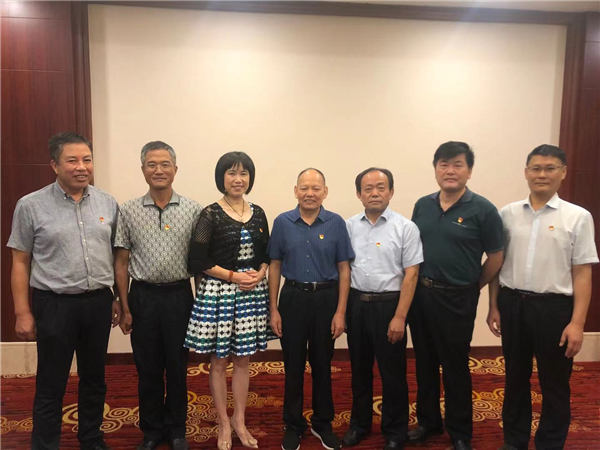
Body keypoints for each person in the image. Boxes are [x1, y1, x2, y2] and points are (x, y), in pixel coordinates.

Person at [8, 132, 120, 450]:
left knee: (94, 378)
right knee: (51, 382)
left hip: (98, 303)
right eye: (72, 160)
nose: (81, 167)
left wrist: (114, 297)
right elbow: (20, 262)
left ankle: (91, 438)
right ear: (55, 165)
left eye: (87, 160)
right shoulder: (31, 205)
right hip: (54, 305)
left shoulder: (107, 203)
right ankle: (45, 444)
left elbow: (115, 256)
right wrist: (22, 312)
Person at [487, 144, 598, 450]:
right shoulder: (507, 214)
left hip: (554, 309)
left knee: (555, 382)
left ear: (563, 173)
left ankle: (550, 443)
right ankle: (514, 440)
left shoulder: (578, 217)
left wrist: (578, 323)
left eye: (550, 168)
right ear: (526, 173)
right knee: (514, 378)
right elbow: (497, 264)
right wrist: (493, 305)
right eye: (536, 168)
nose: (542, 174)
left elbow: (583, 273)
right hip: (512, 305)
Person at [409, 141, 504, 450]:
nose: (450, 170)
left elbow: (496, 257)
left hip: (457, 299)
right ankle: (428, 422)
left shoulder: (484, 209)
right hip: (422, 296)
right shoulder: (423, 205)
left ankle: (460, 433)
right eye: (444, 164)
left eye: (458, 164)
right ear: (436, 169)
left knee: (455, 366)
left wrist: (474, 286)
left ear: (469, 171)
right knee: (424, 362)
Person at [114, 141, 202, 450]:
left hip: (180, 297)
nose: (159, 170)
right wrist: (125, 307)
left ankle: (177, 429)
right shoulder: (128, 210)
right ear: (143, 170)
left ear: (175, 169)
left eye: (165, 164)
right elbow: (121, 262)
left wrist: (202, 305)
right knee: (148, 369)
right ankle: (151, 430)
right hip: (143, 298)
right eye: (152, 164)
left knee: (178, 368)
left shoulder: (193, 210)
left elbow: (199, 263)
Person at [185, 152, 274, 450]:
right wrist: (234, 276)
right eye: (232, 173)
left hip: (251, 294)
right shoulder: (210, 214)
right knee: (219, 361)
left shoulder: (258, 213)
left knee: (243, 361)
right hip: (220, 293)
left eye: (244, 173)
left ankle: (239, 419)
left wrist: (261, 272)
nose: (238, 179)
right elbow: (198, 260)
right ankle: (223, 422)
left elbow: (266, 254)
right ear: (221, 178)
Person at [268, 168, 354, 450]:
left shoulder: (336, 223)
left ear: (325, 192)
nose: (310, 193)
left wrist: (340, 312)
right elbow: (275, 266)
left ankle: (322, 422)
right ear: (296, 191)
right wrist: (273, 309)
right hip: (292, 299)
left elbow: (344, 269)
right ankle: (293, 425)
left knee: (322, 363)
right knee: (292, 365)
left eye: (316, 188)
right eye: (304, 188)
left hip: (325, 300)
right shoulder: (282, 222)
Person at [343, 168, 423, 450]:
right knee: (359, 370)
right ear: (359, 194)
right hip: (357, 305)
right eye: (368, 188)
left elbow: (411, 274)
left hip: (390, 307)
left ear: (391, 192)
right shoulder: (348, 226)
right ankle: (359, 424)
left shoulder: (406, 228)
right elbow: (343, 269)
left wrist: (400, 316)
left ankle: (395, 431)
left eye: (381, 187)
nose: (374, 193)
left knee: (393, 374)